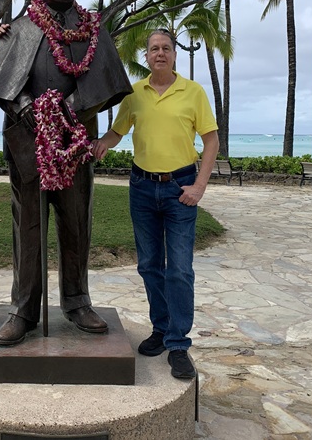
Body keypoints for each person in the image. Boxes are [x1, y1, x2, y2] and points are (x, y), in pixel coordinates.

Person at [0, 0, 132, 346]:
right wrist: (25, 105)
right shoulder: (20, 28)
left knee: (76, 222)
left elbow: (107, 83)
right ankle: (23, 309)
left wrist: (66, 110)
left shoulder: (93, 29)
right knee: (27, 225)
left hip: (75, 140)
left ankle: (77, 302)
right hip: (28, 141)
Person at [92, 28, 219, 380]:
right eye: (154, 49)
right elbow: (117, 132)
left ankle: (178, 343)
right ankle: (161, 329)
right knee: (149, 265)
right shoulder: (135, 93)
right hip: (142, 188)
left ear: (174, 55)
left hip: (181, 188)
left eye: (165, 48)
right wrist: (101, 143)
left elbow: (211, 141)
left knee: (179, 269)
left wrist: (199, 186)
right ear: (146, 56)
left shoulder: (193, 92)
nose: (160, 53)